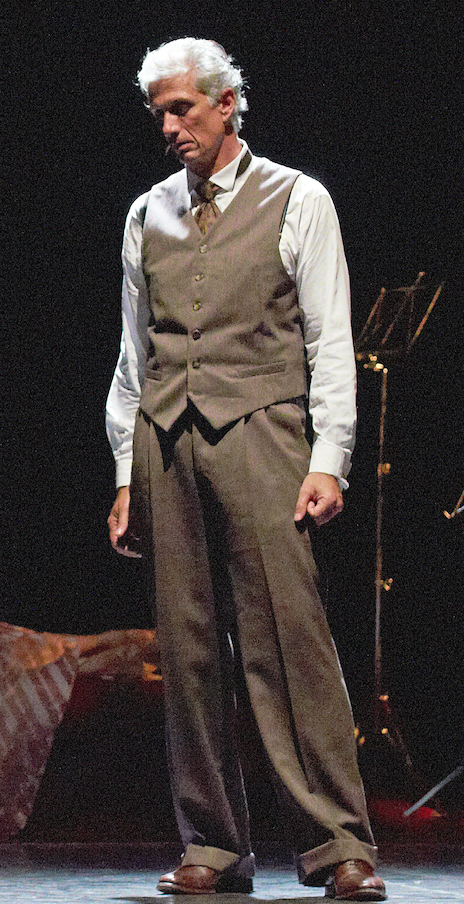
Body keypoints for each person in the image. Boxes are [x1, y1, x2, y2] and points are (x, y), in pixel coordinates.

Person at [106, 39, 386, 901]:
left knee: (287, 644)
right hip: (167, 440)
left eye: (182, 108)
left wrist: (330, 458)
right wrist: (124, 472)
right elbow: (133, 353)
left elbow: (329, 340)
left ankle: (338, 842)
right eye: (158, 112)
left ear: (228, 104)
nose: (168, 127)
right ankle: (214, 845)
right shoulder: (146, 213)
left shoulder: (298, 198)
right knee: (188, 653)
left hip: (265, 434)